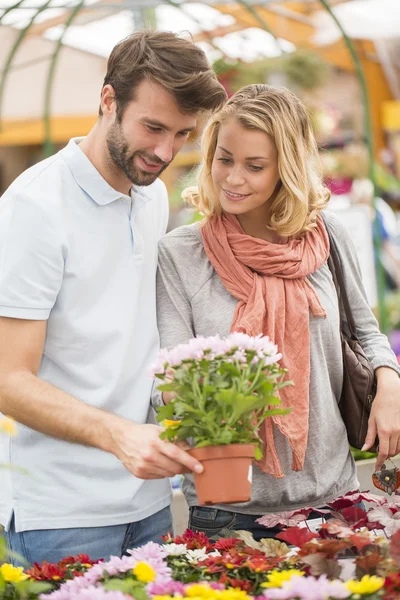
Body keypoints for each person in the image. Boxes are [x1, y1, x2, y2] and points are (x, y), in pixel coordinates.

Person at [0, 30, 226, 564]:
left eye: (182, 134)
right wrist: (119, 436)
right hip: (61, 516)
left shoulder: (152, 195)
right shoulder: (34, 209)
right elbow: (8, 379)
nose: (165, 153)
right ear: (108, 100)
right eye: (152, 127)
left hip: (148, 501)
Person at [156, 84, 400, 541]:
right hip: (228, 514)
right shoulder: (179, 254)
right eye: (224, 159)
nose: (232, 178)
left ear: (286, 170)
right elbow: (167, 379)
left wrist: (391, 381)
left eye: (255, 166)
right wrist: (208, 399)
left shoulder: (325, 237)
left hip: (333, 505)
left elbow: (368, 335)